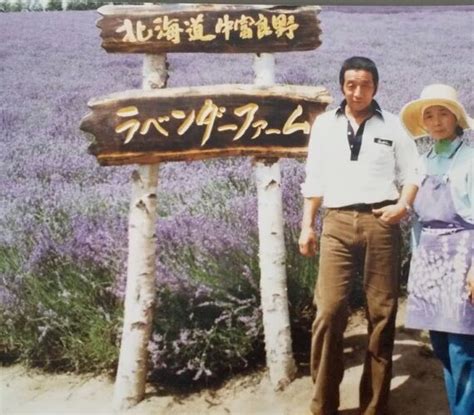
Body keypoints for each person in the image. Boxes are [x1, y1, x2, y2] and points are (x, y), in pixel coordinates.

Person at [299, 56, 419, 415]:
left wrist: (403, 206)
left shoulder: (394, 126)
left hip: (381, 222)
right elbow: (314, 177)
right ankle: (323, 405)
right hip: (335, 222)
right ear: (342, 87)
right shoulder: (324, 126)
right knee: (329, 311)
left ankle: (374, 407)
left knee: (381, 315)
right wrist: (307, 225)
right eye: (351, 84)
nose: (357, 91)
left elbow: (413, 171)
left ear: (375, 88)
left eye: (365, 85)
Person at [400, 83, 474, 415]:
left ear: (456, 118)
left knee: (463, 348)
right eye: (429, 115)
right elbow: (415, 215)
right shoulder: (423, 160)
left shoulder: (471, 157)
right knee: (441, 345)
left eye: (443, 112)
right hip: (429, 257)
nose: (436, 120)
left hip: (463, 255)